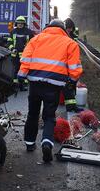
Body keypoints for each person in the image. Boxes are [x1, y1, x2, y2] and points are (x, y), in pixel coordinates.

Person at [18, 19, 83, 163]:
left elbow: (25, 59)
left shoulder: (36, 39)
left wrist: (21, 76)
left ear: (48, 27)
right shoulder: (70, 43)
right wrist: (72, 81)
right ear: (63, 29)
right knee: (49, 116)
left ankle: (29, 143)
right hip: (54, 85)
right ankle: (46, 143)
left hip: (34, 82)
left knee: (32, 114)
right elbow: (74, 68)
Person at [8, 16, 35, 90]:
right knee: (15, 69)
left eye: (21, 23)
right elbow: (9, 42)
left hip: (25, 55)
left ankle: (24, 84)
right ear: (16, 24)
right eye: (18, 23)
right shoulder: (13, 32)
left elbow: (33, 43)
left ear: (24, 24)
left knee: (24, 69)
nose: (20, 24)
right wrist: (12, 49)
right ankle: (15, 84)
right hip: (15, 55)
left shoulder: (29, 32)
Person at [63, 18, 79, 113]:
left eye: (71, 28)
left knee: (73, 84)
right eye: (68, 28)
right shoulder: (62, 36)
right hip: (64, 63)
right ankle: (70, 106)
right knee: (67, 85)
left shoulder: (73, 36)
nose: (69, 30)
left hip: (72, 62)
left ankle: (72, 105)